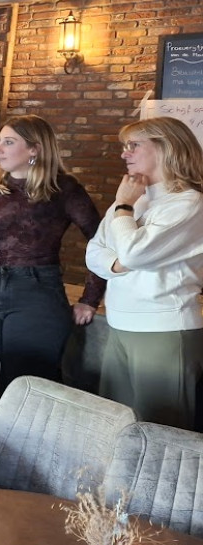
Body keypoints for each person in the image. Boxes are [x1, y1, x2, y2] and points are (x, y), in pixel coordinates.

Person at [0, 115, 105, 388]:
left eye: (9, 142)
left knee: (25, 385)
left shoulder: (64, 188)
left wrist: (90, 298)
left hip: (37, 290)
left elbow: (102, 241)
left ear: (35, 149)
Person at [86, 116, 203, 429]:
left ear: (166, 148)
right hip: (120, 322)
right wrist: (119, 263)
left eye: (134, 145)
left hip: (163, 327)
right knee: (118, 425)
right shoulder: (134, 201)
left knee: (161, 431)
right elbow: (94, 252)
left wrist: (123, 210)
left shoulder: (189, 203)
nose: (125, 154)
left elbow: (135, 251)